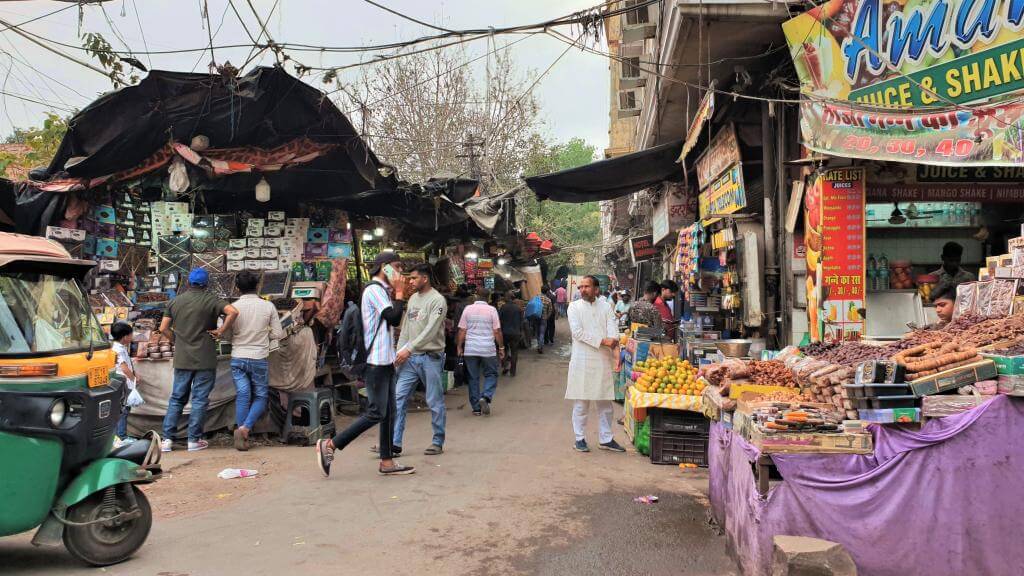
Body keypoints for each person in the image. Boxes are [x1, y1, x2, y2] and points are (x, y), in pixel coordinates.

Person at [316, 252, 414, 477]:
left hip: (386, 360)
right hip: (376, 362)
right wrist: (399, 293)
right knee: (376, 412)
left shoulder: (383, 291)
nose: (399, 272)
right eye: (396, 267)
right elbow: (393, 317)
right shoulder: (374, 290)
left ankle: (387, 462)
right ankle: (330, 445)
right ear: (384, 267)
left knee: (389, 411)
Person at [158, 268, 238, 452]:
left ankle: (167, 440)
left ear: (188, 283)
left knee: (177, 398)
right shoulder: (211, 300)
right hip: (205, 357)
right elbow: (233, 312)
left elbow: (163, 328)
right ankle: (193, 440)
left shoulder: (175, 301)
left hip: (182, 357)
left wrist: (176, 340)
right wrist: (221, 330)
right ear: (206, 283)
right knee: (200, 399)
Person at [392, 264, 448, 456]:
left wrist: (409, 349)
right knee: (398, 398)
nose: (410, 281)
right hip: (410, 359)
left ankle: (437, 441)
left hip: (430, 358)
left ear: (425, 278)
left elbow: (431, 330)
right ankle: (394, 442)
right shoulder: (413, 299)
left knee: (434, 400)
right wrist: (399, 352)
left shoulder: (437, 300)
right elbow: (406, 328)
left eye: (414, 278)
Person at [566, 275, 625, 453]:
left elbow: (612, 328)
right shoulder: (574, 307)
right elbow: (577, 333)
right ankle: (579, 438)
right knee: (581, 403)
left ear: (596, 289)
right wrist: (603, 341)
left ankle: (606, 439)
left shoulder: (606, 306)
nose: (582, 289)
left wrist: (614, 342)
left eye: (586, 286)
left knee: (605, 403)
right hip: (582, 359)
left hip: (602, 360)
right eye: (581, 287)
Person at [227, 270, 284, 451]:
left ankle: (242, 433)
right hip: (259, 357)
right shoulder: (268, 307)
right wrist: (263, 332)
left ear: (237, 288)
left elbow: (226, 335)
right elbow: (278, 333)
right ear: (257, 286)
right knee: (260, 395)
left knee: (243, 395)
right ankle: (245, 428)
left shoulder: (233, 307)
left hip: (238, 356)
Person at [457, 290, 504, 416]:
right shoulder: (492, 310)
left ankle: (476, 408)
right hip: (487, 349)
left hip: (470, 349)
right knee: (491, 374)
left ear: (476, 297)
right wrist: (501, 348)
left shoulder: (467, 309)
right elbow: (497, 331)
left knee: (473, 378)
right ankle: (486, 396)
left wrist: (459, 346)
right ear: (488, 298)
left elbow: (462, 330)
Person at [111, 321, 138, 444]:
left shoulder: (119, 347)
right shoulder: (118, 349)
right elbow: (123, 367)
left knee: (123, 409)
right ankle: (121, 437)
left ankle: (120, 436)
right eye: (131, 335)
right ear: (125, 336)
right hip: (123, 383)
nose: (132, 337)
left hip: (124, 382)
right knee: (123, 410)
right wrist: (134, 379)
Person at [499, 291, 524, 377]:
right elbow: (522, 322)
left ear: (507, 298)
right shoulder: (518, 308)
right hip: (515, 333)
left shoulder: (503, 307)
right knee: (514, 352)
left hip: (504, 333)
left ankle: (505, 366)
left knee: (504, 350)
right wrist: (521, 332)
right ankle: (513, 371)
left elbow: (499, 320)